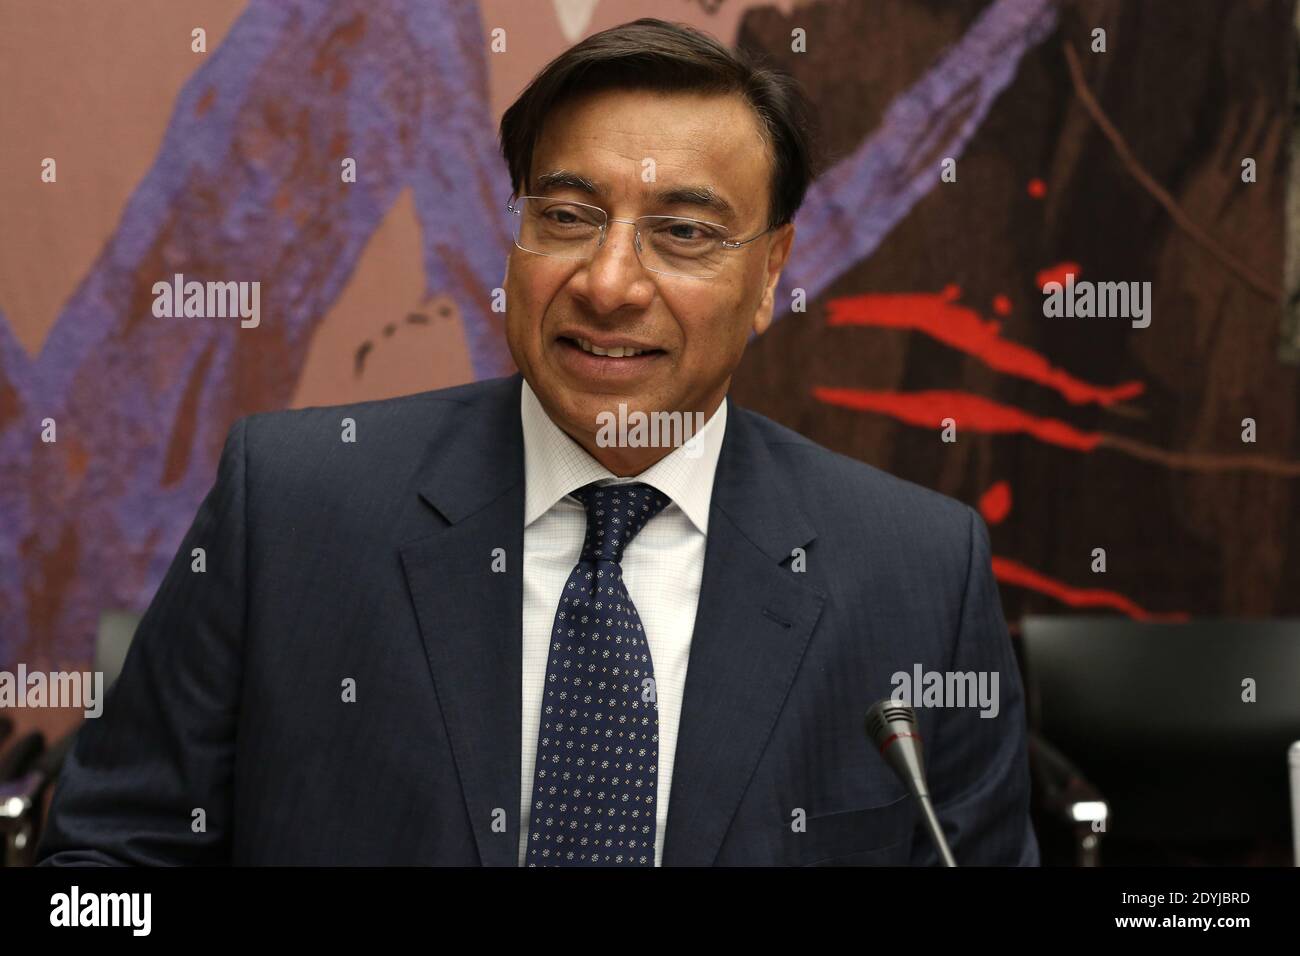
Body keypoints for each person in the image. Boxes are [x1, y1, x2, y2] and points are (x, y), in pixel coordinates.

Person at [38, 17, 1037, 867]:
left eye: (682, 232)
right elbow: (105, 862)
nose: (607, 281)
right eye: (566, 215)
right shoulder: (293, 505)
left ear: (772, 272)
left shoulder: (915, 572)